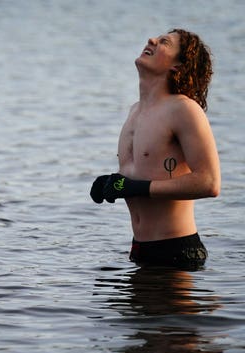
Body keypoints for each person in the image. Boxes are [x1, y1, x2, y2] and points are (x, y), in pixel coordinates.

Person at [90, 29, 220, 270]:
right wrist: (111, 182)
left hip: (177, 251)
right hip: (139, 250)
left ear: (178, 66)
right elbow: (141, 173)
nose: (151, 40)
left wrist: (139, 188)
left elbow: (209, 182)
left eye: (164, 42)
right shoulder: (133, 112)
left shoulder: (184, 110)